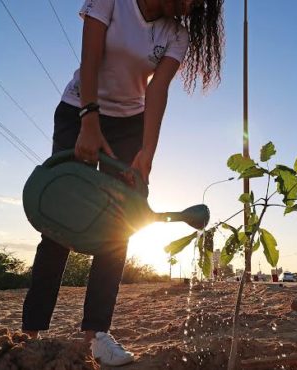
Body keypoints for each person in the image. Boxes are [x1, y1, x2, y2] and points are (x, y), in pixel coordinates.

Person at [21, 0, 224, 366]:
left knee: (117, 231)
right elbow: (91, 55)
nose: (195, 6)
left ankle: (96, 335)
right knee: (59, 224)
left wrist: (147, 151)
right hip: (80, 109)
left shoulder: (177, 34)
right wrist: (89, 119)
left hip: (130, 125)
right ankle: (32, 333)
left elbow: (156, 91)